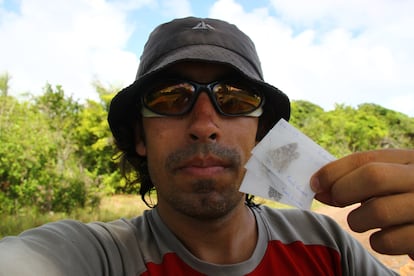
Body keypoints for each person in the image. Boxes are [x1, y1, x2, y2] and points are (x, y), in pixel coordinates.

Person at [0, 16, 413, 275]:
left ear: (261, 134)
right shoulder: (99, 257)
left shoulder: (328, 247)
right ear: (141, 137)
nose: (203, 125)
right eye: (169, 98)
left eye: (234, 98)